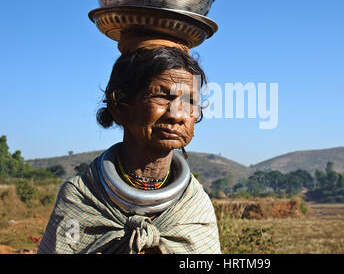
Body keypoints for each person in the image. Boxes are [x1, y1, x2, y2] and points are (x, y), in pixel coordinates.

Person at [38, 46, 221, 254]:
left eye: (190, 102)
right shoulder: (81, 198)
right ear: (120, 106)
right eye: (162, 96)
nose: (177, 115)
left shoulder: (194, 207)